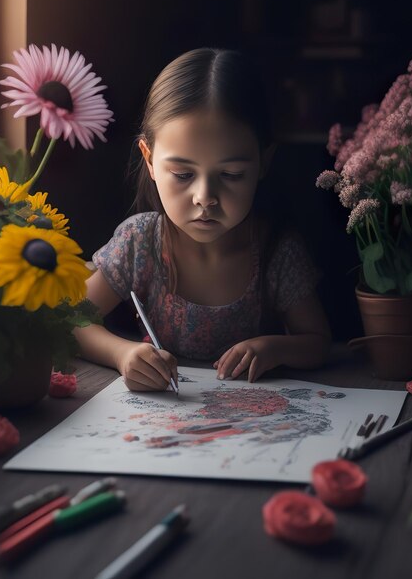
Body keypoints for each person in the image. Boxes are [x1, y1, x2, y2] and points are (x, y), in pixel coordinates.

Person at [75, 48, 331, 392]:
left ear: (263, 163)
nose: (204, 197)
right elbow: (71, 320)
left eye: (231, 174)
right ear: (149, 161)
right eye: (182, 174)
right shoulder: (140, 243)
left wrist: (274, 348)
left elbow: (317, 341)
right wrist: (123, 354)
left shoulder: (275, 252)